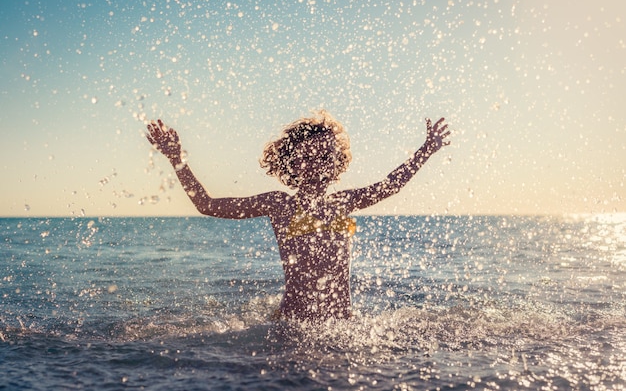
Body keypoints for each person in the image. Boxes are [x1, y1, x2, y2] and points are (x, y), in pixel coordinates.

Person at [146, 110, 450, 321]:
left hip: (342, 323)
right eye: (307, 157)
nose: (317, 164)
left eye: (325, 157)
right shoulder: (280, 204)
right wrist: (176, 159)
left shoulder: (343, 202)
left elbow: (391, 185)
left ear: (337, 162)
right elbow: (208, 205)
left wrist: (426, 150)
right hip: (292, 324)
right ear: (291, 164)